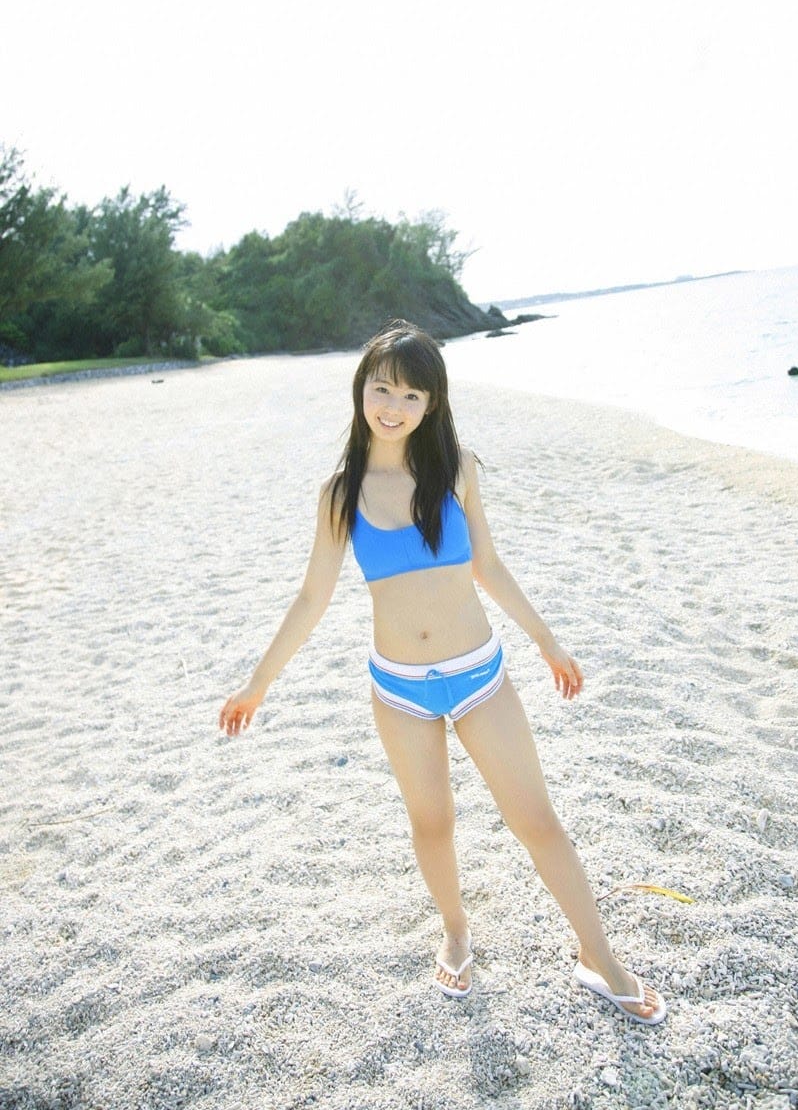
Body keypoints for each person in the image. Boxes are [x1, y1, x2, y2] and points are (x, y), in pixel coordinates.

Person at [219, 320, 666, 1025]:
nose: (393, 407)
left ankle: (599, 957)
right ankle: (456, 931)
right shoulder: (340, 494)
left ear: (432, 404)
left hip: (478, 672)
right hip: (398, 688)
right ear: (361, 390)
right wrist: (258, 682)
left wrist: (547, 641)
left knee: (536, 819)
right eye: (383, 389)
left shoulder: (456, 469)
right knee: (432, 821)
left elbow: (488, 565)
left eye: (412, 396)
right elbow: (312, 597)